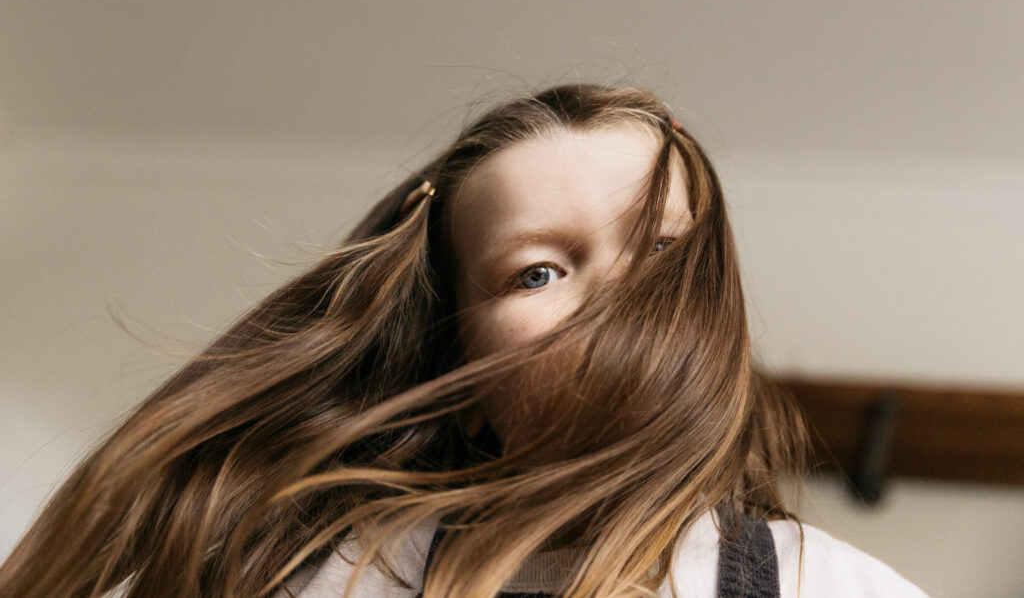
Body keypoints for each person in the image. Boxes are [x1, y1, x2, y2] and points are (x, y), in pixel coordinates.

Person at [0, 84, 927, 597]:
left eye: (657, 251)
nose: (612, 293)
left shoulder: (830, 587)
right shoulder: (340, 577)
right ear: (467, 377)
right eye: (537, 272)